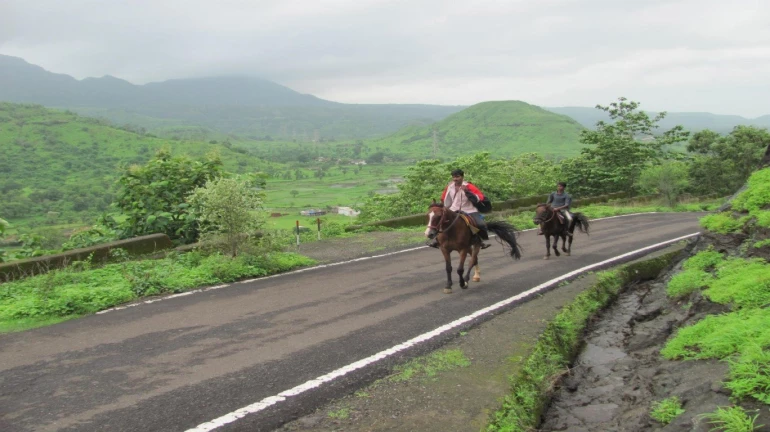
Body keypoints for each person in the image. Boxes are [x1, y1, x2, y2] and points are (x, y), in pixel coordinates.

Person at [428, 169, 491, 249]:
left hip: (469, 209)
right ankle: (437, 240)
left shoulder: (469, 186)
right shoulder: (449, 187)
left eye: (457, 177)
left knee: (480, 224)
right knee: (440, 220)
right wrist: (441, 206)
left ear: (462, 177)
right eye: (454, 177)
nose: (455, 179)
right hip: (453, 209)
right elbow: (444, 198)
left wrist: (468, 192)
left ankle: (480, 240)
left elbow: (480, 197)